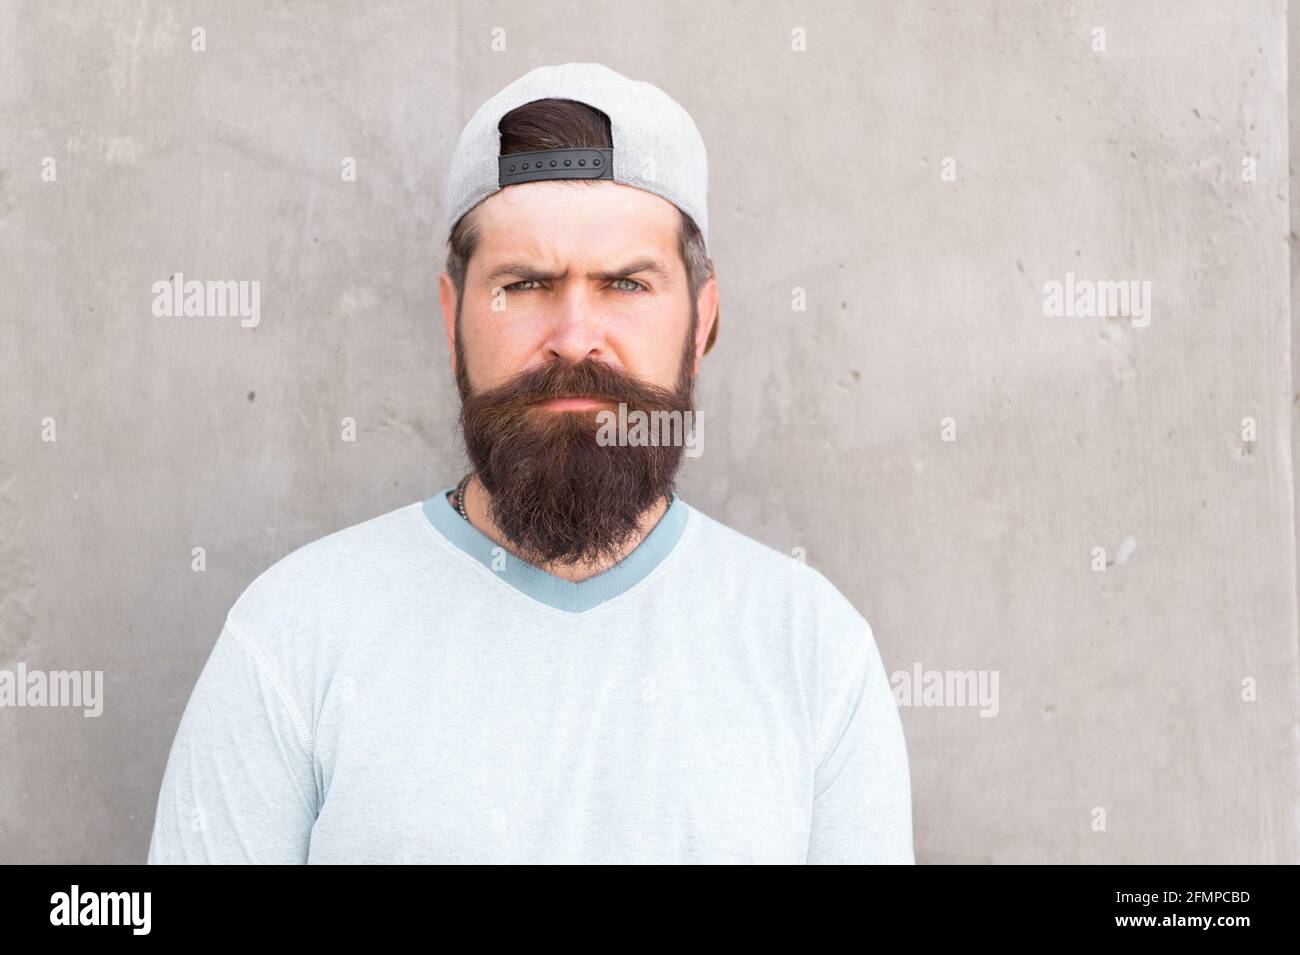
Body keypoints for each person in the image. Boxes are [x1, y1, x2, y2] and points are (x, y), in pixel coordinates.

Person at [147, 62, 914, 864]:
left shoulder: (815, 652)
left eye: (625, 282)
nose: (575, 334)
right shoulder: (292, 637)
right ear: (453, 318)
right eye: (525, 284)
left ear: (703, 321)